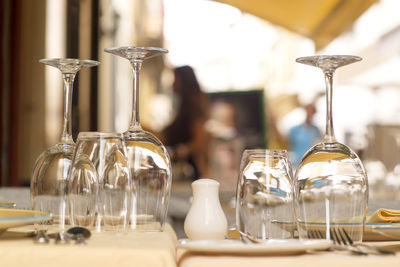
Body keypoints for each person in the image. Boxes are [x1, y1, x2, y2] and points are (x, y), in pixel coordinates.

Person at [162, 66, 209, 180]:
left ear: (183, 81)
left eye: (175, 79)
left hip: (189, 171)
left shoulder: (193, 106)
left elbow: (199, 142)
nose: (172, 84)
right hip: (183, 170)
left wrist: (177, 153)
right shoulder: (183, 106)